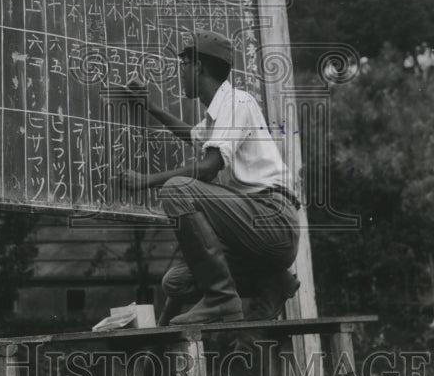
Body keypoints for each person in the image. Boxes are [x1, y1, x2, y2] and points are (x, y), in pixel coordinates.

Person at [118, 31, 300, 325]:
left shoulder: (236, 102)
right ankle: (274, 281)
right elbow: (193, 135)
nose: (181, 73)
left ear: (197, 67)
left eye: (183, 65)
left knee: (177, 189)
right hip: (254, 230)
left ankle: (221, 299)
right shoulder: (218, 113)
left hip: (271, 221)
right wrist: (151, 107)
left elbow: (208, 167)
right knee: (176, 282)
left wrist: (146, 179)